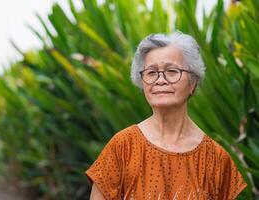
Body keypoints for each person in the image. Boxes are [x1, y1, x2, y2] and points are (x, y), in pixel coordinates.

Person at [85, 32, 247, 200]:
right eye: (151, 72)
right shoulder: (123, 146)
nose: (160, 80)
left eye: (171, 71)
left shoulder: (216, 159)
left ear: (192, 82)